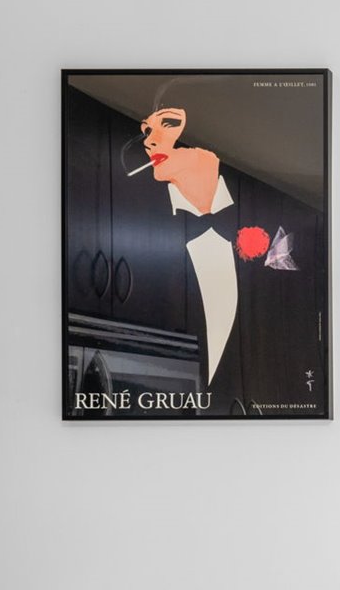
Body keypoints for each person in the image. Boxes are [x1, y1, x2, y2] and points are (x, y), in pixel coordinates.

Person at [129, 78, 326, 417]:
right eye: (147, 129)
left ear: (207, 135)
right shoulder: (141, 229)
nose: (151, 140)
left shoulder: (276, 221)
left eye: (170, 123)